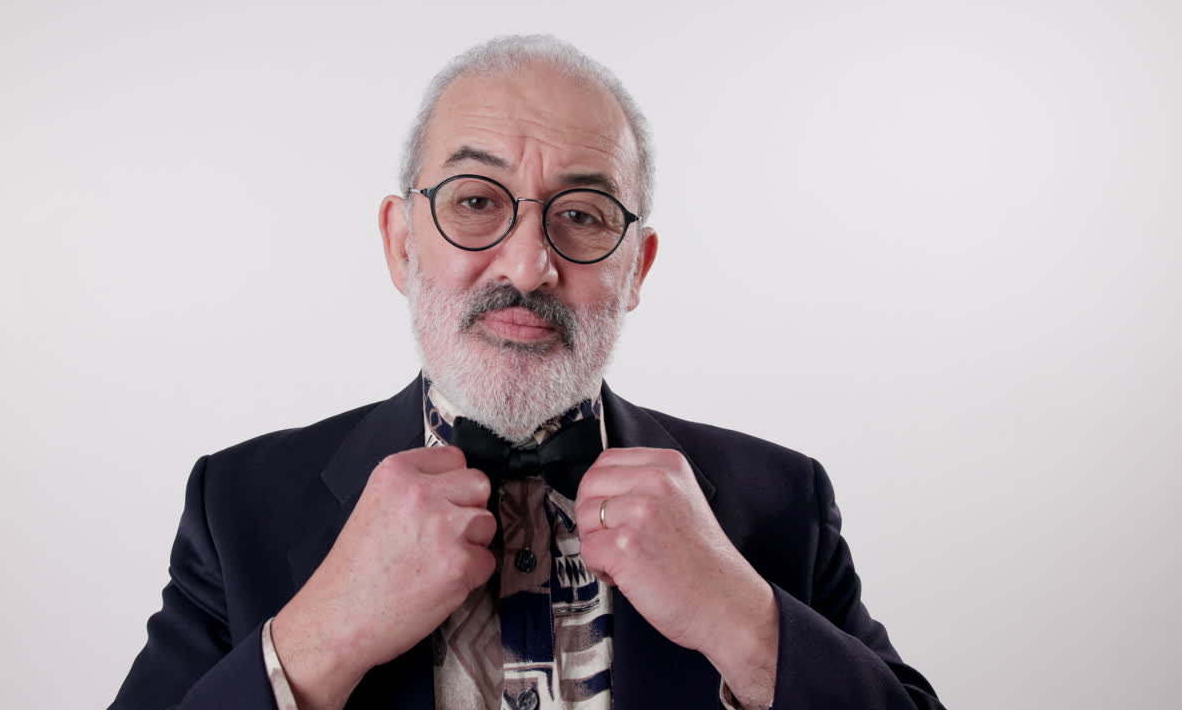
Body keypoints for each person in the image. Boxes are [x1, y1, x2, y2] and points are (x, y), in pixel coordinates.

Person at [109, 35, 946, 710]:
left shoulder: (782, 503)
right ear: (402, 243)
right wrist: (323, 635)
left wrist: (745, 623)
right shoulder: (240, 504)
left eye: (581, 216)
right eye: (477, 201)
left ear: (637, 269)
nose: (528, 263)